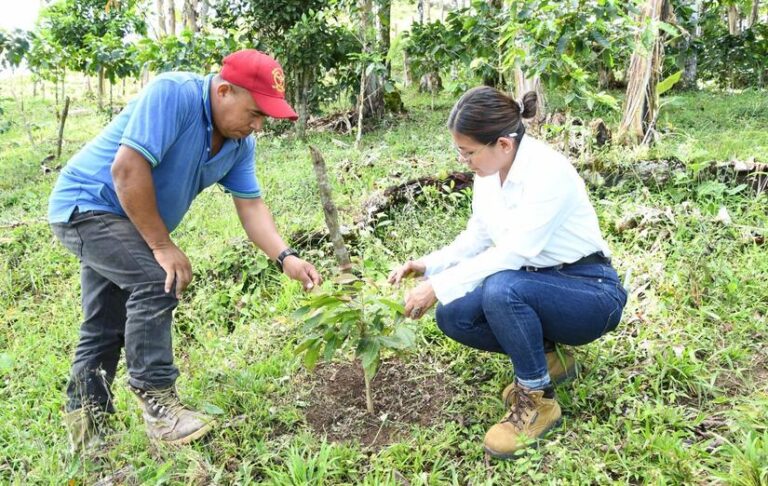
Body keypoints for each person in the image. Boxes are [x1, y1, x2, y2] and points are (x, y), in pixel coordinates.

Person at [48, 49, 321, 452]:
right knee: (158, 279)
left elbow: (251, 206)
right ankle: (159, 403)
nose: (258, 126)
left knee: (103, 326)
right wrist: (161, 245)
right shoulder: (173, 94)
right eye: (254, 113)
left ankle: (87, 437)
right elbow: (126, 170)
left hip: (127, 220)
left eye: (265, 118)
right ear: (225, 91)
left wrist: (287, 257)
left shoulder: (238, 143)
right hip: (88, 205)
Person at [388, 86, 627, 459]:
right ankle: (548, 358)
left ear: (503, 143)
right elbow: (479, 237)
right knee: (454, 315)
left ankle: (538, 400)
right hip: (535, 283)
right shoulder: (489, 174)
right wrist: (430, 265)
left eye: (468, 152)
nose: (464, 160)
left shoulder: (548, 172)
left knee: (501, 289)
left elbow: (516, 252)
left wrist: (438, 285)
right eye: (459, 151)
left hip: (590, 291)